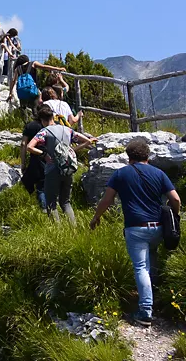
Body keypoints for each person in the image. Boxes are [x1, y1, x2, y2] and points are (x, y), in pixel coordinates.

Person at [90, 139, 181, 327]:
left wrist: (96, 217)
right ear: (147, 155)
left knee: (141, 267)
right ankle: (158, 299)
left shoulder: (120, 174)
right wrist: (175, 216)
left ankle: (145, 310)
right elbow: (175, 199)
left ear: (128, 156)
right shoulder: (159, 173)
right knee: (152, 259)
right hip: (158, 228)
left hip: (135, 228)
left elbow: (107, 200)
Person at [26, 105, 96, 224]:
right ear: (53, 117)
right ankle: (73, 231)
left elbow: (29, 147)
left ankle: (57, 231)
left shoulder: (43, 132)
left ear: (42, 120)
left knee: (51, 203)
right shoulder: (67, 130)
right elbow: (87, 140)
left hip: (52, 169)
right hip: (68, 168)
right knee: (66, 202)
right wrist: (75, 149)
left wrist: (44, 155)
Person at [21, 104, 48, 210]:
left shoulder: (30, 126)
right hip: (50, 157)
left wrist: (23, 163)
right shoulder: (52, 125)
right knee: (45, 183)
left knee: (39, 186)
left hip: (35, 158)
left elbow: (24, 144)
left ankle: (44, 209)